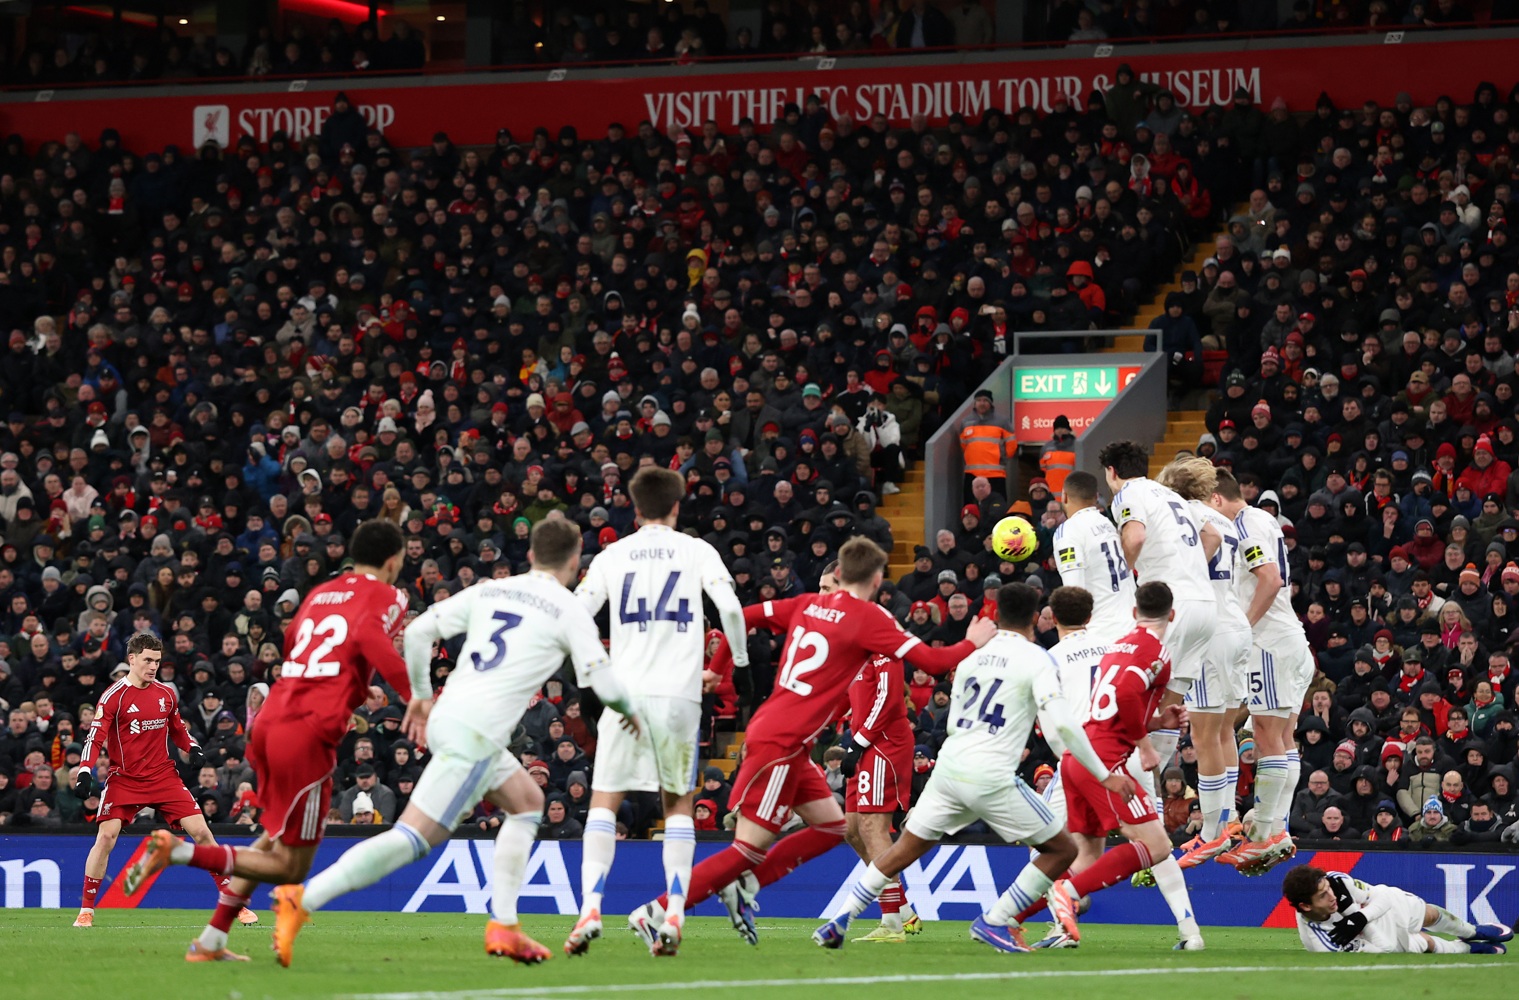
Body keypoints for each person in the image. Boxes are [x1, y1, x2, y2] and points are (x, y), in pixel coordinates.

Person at [268, 518, 637, 966]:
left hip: (452, 718)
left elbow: (418, 632)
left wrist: (422, 696)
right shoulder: (569, 608)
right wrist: (632, 711)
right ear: (577, 560)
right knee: (412, 838)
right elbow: (604, 684)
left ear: (531, 555)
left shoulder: (492, 590)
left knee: (527, 802)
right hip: (476, 733)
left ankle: (505, 925)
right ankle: (302, 899)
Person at [626, 537, 995, 949]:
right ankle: (655, 911)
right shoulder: (870, 618)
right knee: (748, 849)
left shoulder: (805, 604)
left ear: (839, 572)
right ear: (877, 579)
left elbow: (739, 616)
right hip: (781, 744)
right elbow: (935, 661)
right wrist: (973, 639)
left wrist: (717, 669)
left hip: (786, 737)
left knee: (834, 828)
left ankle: (746, 885)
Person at [119, 520, 419, 961]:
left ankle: (211, 941)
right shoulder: (389, 595)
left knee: (268, 839)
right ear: (393, 561)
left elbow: (297, 643)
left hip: (271, 720)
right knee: (290, 866)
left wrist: (354, 688)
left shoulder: (320, 593)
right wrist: (417, 699)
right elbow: (371, 638)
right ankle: (178, 851)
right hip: (306, 735)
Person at [813, 581, 1135, 951]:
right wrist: (1103, 774)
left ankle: (841, 919)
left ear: (996, 615)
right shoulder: (1037, 658)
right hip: (991, 774)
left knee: (904, 849)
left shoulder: (972, 655)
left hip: (949, 769)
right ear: (1035, 617)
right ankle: (996, 919)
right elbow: (1061, 725)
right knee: (1062, 849)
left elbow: (954, 715)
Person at [567, 466, 748, 957]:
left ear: (634, 507)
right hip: (678, 697)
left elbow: (576, 614)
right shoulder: (697, 550)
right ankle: (674, 914)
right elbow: (731, 610)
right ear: (676, 506)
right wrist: (739, 666)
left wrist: (594, 672)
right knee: (677, 805)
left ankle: (590, 908)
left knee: (604, 801)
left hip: (624, 694)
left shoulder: (612, 555)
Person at [1014, 582, 1205, 952]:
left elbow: (1048, 719)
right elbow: (1125, 697)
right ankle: (1189, 930)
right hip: (1122, 752)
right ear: (1091, 616)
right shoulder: (1115, 645)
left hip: (1082, 755)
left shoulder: (1048, 660)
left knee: (1055, 850)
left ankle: (1027, 917)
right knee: (1151, 840)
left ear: (1051, 619)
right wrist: (1148, 737)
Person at [73, 632, 256, 936]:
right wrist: (84, 771)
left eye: (157, 661)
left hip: (162, 776)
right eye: (148, 660)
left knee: (202, 832)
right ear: (132, 659)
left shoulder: (166, 693)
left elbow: (178, 728)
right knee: (106, 837)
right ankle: (86, 910)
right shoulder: (113, 696)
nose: (153, 666)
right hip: (125, 778)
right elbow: (95, 737)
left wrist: (192, 747)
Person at [1210, 467, 1316, 873]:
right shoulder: (1262, 519)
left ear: (1217, 499)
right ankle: (1278, 830)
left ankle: (1262, 836)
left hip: (1269, 644)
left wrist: (1244, 626)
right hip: (1290, 641)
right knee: (1283, 739)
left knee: (1267, 736)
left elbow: (1270, 580)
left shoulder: (1246, 523)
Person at [1101, 440, 1219, 784]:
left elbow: (1135, 538)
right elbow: (1212, 536)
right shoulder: (1171, 495)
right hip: (1204, 606)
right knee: (1170, 706)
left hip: (1171, 607)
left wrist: (1122, 580)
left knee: (1138, 698)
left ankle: (1136, 796)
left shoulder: (1127, 493)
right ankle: (1151, 795)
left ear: (1111, 471)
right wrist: (1189, 568)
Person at [1156, 458, 1251, 868]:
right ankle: (1227, 822)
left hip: (1212, 632)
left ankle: (1211, 833)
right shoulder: (1223, 518)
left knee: (1204, 734)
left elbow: (1206, 540)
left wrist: (1187, 575)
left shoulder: (1189, 517)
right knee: (1223, 730)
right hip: (1235, 625)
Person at [1282, 865, 1510, 954]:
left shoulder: (1337, 881)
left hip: (1376, 908)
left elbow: (1382, 896)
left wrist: (1358, 916)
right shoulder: (1322, 943)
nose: (1332, 895)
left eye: (1328, 888)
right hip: (1375, 936)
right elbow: (1385, 948)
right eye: (1322, 895)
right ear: (1305, 906)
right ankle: (1465, 949)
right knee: (1425, 944)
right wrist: (1354, 916)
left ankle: (1471, 931)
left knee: (1428, 913)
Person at [1052, 471, 1136, 647]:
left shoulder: (1068, 531)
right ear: (1096, 497)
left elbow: (1073, 590)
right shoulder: (1108, 525)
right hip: (1131, 625)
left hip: (1101, 632)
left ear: (1064, 496)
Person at [958, 389, 1016, 500]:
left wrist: (1001, 459)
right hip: (972, 473)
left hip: (995, 474)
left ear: (990, 403)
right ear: (975, 403)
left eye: (985, 400)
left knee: (997, 506)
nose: (982, 403)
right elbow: (963, 445)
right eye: (979, 400)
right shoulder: (966, 422)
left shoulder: (1002, 421)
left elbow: (1012, 444)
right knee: (970, 507)